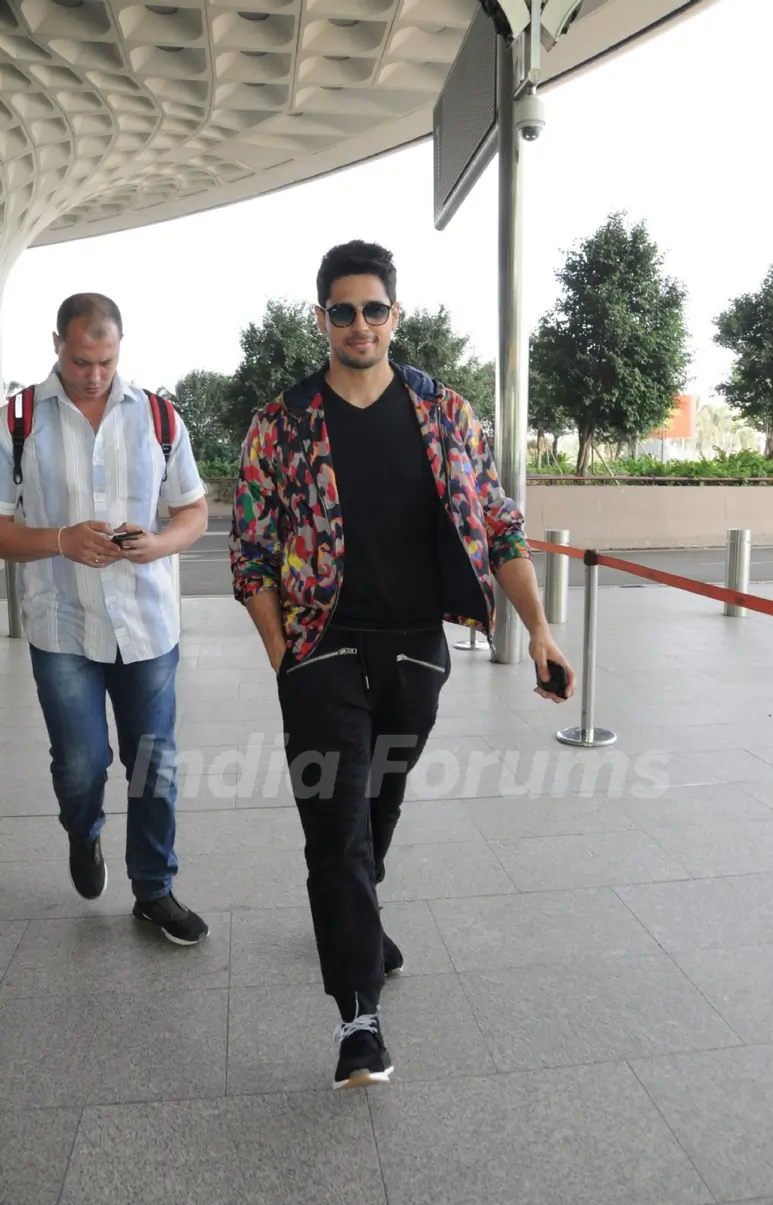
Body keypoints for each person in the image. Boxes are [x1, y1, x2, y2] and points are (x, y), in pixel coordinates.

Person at [229, 240, 575, 1088]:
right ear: (323, 319)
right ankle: (358, 1019)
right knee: (334, 831)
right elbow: (252, 555)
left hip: (418, 652)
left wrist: (539, 631)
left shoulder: (446, 415)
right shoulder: (281, 423)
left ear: (395, 315)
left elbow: (499, 527)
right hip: (322, 652)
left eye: (372, 309)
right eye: (341, 310)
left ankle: (363, 916)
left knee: (378, 806)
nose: (358, 324)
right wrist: (285, 661)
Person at [0, 293, 210, 946]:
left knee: (156, 764)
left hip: (148, 626)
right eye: (80, 359)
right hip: (62, 625)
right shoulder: (18, 419)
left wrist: (156, 543)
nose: (93, 374)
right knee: (82, 764)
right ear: (56, 344)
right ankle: (83, 830)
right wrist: (62, 540)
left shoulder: (159, 415)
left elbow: (193, 512)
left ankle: (154, 889)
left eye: (106, 360)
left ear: (121, 348)